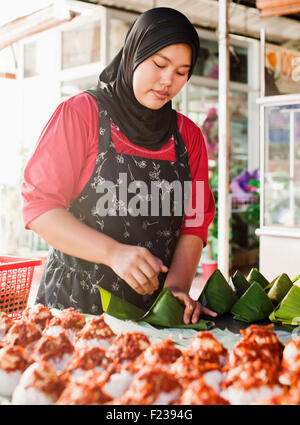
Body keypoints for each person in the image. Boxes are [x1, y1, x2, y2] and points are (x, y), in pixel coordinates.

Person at [21, 7, 217, 325]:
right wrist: (113, 252)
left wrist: (177, 288)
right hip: (76, 307)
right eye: (159, 64)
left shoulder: (188, 136)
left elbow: (194, 224)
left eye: (182, 72)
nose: (168, 80)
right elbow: (40, 209)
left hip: (152, 314)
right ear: (134, 54)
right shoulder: (81, 114)